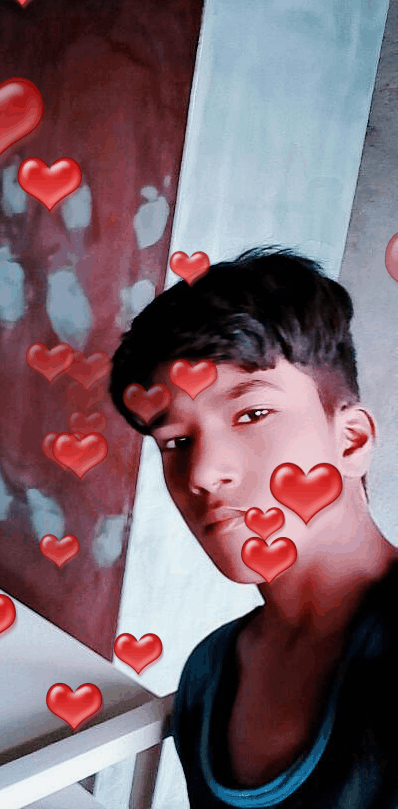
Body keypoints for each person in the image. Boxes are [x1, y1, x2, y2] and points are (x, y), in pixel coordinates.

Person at [109, 246, 398, 807]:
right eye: (177, 442)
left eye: (252, 414)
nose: (203, 473)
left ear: (352, 440)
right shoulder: (208, 675)